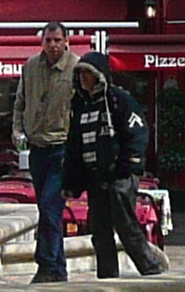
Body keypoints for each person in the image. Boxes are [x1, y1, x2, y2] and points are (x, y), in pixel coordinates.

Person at [67, 60, 166, 278]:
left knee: (126, 225)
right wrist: (72, 181)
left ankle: (153, 272)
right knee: (100, 231)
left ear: (99, 75)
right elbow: (75, 143)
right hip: (95, 177)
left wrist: (126, 167)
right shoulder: (79, 104)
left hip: (119, 177)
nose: (83, 77)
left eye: (88, 73)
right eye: (80, 73)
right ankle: (107, 279)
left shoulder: (119, 100)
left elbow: (138, 133)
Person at [13, 21, 84, 281]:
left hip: (63, 149)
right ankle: (58, 269)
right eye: (48, 40)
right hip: (37, 149)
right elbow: (19, 103)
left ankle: (46, 266)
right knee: (46, 211)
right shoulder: (30, 67)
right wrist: (17, 131)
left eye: (57, 40)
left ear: (67, 41)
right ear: (41, 42)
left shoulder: (77, 68)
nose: (53, 45)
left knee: (50, 205)